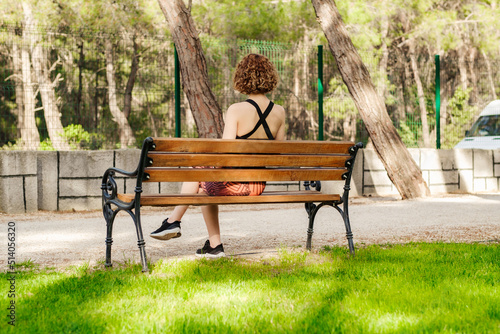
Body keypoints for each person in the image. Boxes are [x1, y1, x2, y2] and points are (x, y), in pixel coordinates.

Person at [150, 53, 286, 258]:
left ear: (243, 77)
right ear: (269, 77)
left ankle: (173, 221)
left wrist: (209, 166)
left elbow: (225, 155)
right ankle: (215, 246)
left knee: (196, 171)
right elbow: (279, 157)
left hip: (236, 185)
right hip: (257, 185)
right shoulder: (279, 112)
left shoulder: (236, 110)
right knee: (204, 189)